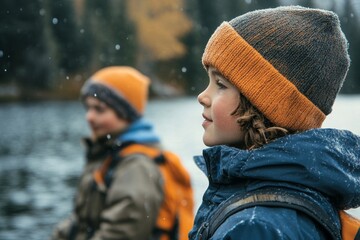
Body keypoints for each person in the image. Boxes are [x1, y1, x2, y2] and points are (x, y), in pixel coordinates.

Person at [189, 5, 360, 240]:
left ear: (265, 104)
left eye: (220, 84)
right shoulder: (292, 192)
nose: (202, 96)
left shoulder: (255, 227)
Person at [51, 66, 185, 240]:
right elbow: (80, 222)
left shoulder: (137, 167)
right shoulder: (109, 154)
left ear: (126, 114)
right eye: (88, 108)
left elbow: (119, 234)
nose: (89, 117)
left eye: (99, 109)